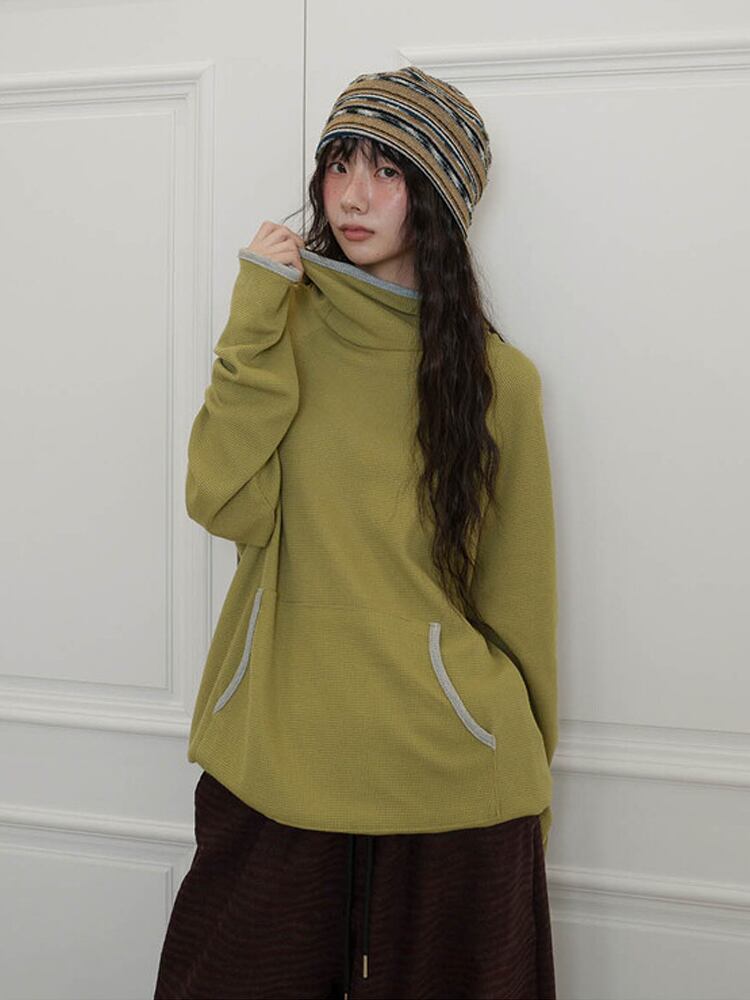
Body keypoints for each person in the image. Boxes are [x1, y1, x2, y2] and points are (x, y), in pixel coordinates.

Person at [153, 64, 558, 1000]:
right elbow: (222, 501)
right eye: (340, 164)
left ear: (439, 200)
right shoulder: (283, 328)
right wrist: (254, 311)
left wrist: (531, 785)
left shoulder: (500, 381)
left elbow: (518, 600)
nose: (353, 195)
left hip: (453, 776)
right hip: (278, 756)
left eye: (388, 171)